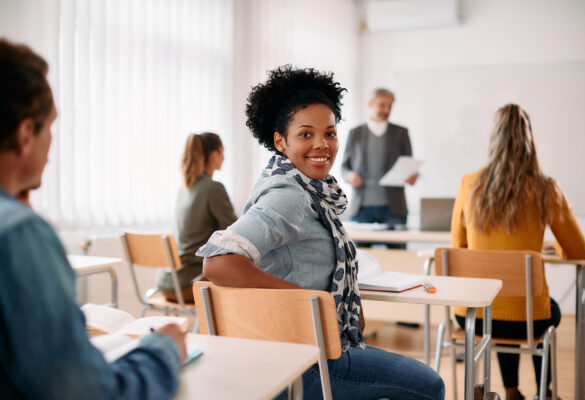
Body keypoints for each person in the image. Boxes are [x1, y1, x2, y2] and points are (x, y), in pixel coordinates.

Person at [196, 65, 444, 400]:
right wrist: (311, 302)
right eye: (306, 134)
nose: (322, 145)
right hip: (301, 361)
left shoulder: (303, 188)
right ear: (280, 142)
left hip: (289, 349)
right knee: (430, 385)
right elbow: (218, 262)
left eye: (329, 133)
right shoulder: (290, 194)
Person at [0, 38, 187, 399]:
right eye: (50, 127)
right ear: (26, 134)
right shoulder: (19, 236)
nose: (51, 147)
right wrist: (162, 350)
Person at [450, 104, 585, 400]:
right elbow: (579, 251)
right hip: (527, 319)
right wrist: (549, 248)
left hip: (473, 315)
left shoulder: (469, 184)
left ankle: (511, 392)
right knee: (540, 309)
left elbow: (458, 246)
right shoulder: (545, 188)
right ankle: (545, 393)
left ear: (493, 139)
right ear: (530, 141)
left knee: (497, 305)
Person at [158, 132, 236, 303]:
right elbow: (237, 233)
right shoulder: (214, 188)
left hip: (166, 283)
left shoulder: (184, 189)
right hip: (189, 283)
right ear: (215, 155)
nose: (224, 158)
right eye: (223, 152)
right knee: (243, 274)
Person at [341, 88, 417, 228]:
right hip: (361, 208)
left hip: (394, 208)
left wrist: (412, 176)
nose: (386, 110)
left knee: (397, 250)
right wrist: (350, 175)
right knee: (359, 250)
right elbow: (344, 168)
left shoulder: (401, 133)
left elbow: (409, 165)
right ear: (371, 104)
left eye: (390, 106)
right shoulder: (355, 133)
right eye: (382, 105)